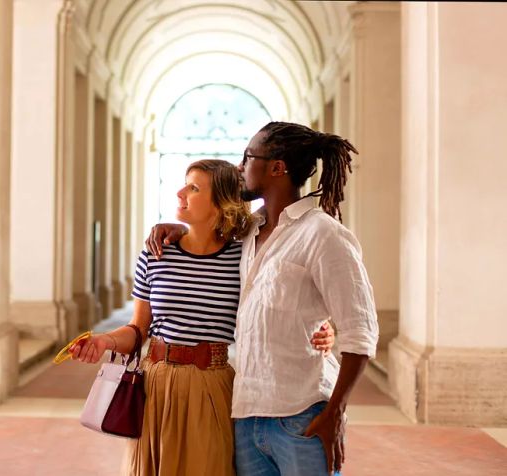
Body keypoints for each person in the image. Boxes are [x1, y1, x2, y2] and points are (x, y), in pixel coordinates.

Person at [70, 159, 335, 476]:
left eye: (194, 188)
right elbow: (138, 329)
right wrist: (103, 341)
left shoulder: (244, 257)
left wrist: (322, 326)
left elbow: (277, 305)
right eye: (185, 183)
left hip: (213, 386)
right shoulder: (156, 253)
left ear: (221, 203)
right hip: (156, 386)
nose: (181, 192)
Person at [148, 122, 379, 476]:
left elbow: (361, 333)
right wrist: (176, 229)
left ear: (277, 168)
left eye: (247, 157)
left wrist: (335, 413)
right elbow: (207, 235)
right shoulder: (247, 232)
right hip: (245, 415)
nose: (240, 167)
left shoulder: (324, 235)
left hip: (301, 415)